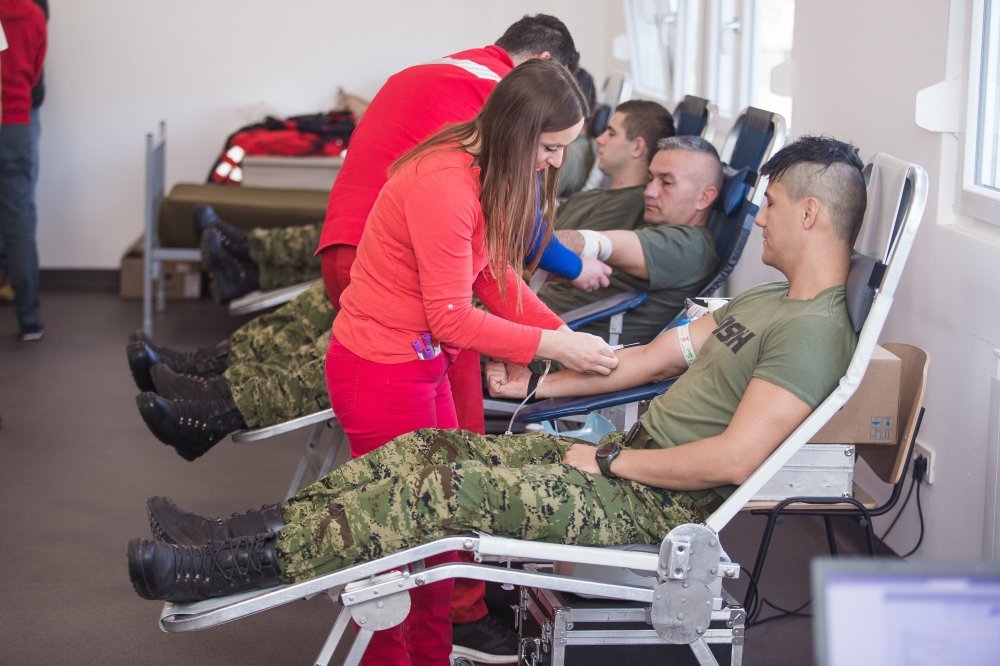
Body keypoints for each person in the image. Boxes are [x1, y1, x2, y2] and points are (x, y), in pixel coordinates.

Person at [127, 134, 868, 647]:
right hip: (620, 463)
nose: (760, 216)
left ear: (811, 214)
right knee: (426, 449)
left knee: (442, 493)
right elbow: (642, 363)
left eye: (772, 204)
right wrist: (538, 384)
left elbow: (733, 460)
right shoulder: (763, 302)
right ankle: (233, 537)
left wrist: (608, 462)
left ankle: (218, 572)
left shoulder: (812, 332)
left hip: (654, 502)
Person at [538, 133, 723, 345]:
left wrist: (527, 242)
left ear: (704, 197)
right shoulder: (655, 227)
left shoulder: (691, 247)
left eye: (666, 182)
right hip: (542, 323)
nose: (649, 191)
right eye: (651, 178)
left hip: (557, 344)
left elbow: (597, 243)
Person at [0, 0, 45, 340]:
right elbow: (36, 68)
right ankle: (30, 320)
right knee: (19, 222)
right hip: (16, 123)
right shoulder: (33, 14)